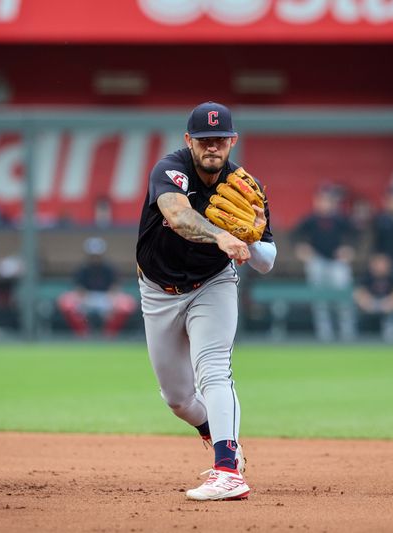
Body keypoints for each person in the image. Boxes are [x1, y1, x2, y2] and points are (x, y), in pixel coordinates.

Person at [136, 102, 276, 501]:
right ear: (189, 142)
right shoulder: (169, 169)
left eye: (219, 139)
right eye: (203, 140)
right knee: (178, 398)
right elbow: (177, 216)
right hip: (157, 290)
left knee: (213, 369)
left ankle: (228, 470)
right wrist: (221, 235)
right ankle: (216, 434)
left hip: (212, 284)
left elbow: (267, 262)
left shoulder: (247, 186)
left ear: (232, 141)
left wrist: (251, 234)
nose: (211, 146)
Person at [292, 184, 357, 341]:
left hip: (337, 263)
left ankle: (347, 332)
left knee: (343, 297)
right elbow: (294, 237)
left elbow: (356, 237)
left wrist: (349, 249)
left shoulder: (341, 219)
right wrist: (302, 249)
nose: (326, 203)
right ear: (317, 201)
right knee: (320, 299)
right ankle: (324, 334)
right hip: (317, 262)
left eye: (329, 200)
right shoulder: (310, 219)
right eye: (323, 199)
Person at [57, 236, 137, 337]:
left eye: (97, 255)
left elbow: (115, 288)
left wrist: (111, 302)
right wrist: (83, 302)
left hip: (106, 298)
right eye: (93, 255)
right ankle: (83, 334)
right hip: (86, 297)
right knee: (65, 301)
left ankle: (109, 335)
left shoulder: (109, 268)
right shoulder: (82, 268)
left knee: (127, 303)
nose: (95, 258)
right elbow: (79, 289)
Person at [353, 253, 393, 342]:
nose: (380, 266)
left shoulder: (392, 277)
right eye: (378, 263)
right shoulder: (366, 277)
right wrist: (369, 304)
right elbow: (359, 293)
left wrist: (390, 303)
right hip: (371, 306)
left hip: (389, 306)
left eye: (383, 263)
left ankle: (392, 334)